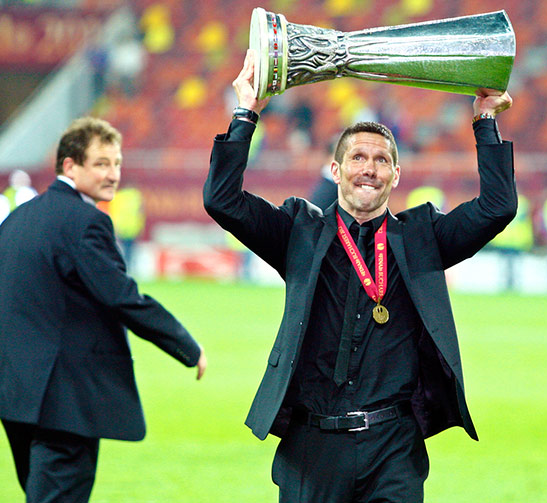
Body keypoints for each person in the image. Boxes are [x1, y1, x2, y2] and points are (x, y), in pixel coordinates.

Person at [203, 50, 515, 503]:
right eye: (357, 157)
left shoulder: (422, 236)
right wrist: (245, 112)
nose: (369, 168)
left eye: (382, 160)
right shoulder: (299, 232)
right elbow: (222, 201)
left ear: (395, 175)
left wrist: (485, 121)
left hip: (393, 447)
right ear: (335, 170)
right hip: (312, 446)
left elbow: (497, 207)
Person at [0, 117, 207, 503]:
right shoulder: (86, 222)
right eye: (101, 164)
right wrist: (185, 345)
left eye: (116, 163)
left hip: (15, 393)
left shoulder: (16, 220)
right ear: (69, 166)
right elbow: (121, 296)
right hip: (64, 396)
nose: (113, 174)